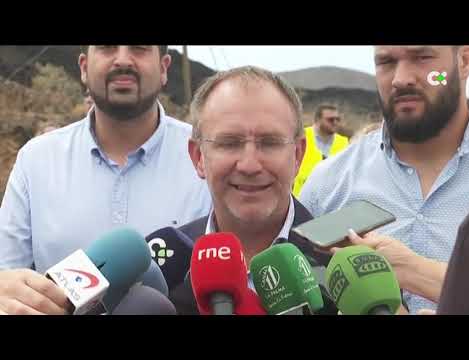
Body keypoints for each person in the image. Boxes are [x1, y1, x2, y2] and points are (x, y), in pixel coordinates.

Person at [0, 45, 212, 315]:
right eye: (107, 47)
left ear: (163, 68)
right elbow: (5, 275)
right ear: (84, 68)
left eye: (139, 48)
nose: (123, 59)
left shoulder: (209, 159)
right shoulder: (35, 159)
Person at [300, 45, 469, 314]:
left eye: (422, 57)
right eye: (386, 62)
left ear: (464, 62)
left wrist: (415, 272)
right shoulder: (327, 184)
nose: (401, 78)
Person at [155, 66, 336, 315]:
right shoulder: (162, 270)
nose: (250, 165)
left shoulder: (343, 271)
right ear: (198, 157)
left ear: (297, 155)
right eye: (229, 143)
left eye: (270, 143)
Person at [292, 104, 349, 197]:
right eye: (330, 119)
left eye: (337, 119)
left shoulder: (343, 142)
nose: (335, 122)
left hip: (330, 201)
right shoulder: (302, 137)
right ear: (317, 120)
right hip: (301, 198)